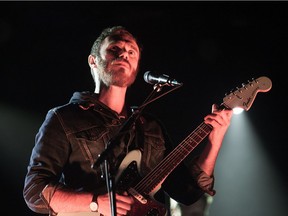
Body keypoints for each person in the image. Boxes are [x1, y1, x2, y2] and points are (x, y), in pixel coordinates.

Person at [23, 26, 233, 216]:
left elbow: (187, 193)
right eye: (114, 48)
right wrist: (95, 202)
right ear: (93, 60)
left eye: (131, 52)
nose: (124, 53)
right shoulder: (64, 118)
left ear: (136, 68)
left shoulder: (151, 128)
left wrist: (215, 141)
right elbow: (34, 191)